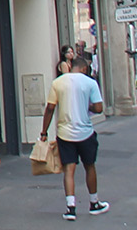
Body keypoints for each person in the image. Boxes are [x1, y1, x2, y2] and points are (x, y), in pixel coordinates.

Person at [41, 54, 107, 221]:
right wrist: (87, 105)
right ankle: (94, 203)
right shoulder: (90, 83)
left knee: (69, 170)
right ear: (84, 69)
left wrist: (44, 132)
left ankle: (71, 208)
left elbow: (50, 108)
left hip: (65, 133)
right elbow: (99, 108)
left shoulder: (58, 82)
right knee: (90, 166)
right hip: (85, 133)